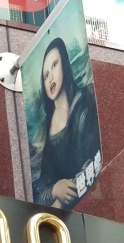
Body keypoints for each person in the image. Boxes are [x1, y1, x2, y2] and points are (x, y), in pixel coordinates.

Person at [33, 36, 100, 209]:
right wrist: (55, 190)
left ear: (64, 63)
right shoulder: (44, 130)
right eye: (45, 75)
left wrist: (63, 199)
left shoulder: (84, 102)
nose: (50, 77)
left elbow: (95, 156)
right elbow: (39, 187)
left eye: (54, 65)